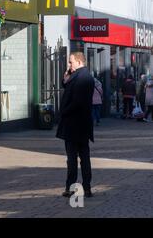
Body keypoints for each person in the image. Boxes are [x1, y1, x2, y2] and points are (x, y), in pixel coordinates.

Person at [56, 52, 94, 198]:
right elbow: (67, 86)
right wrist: (66, 77)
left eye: (71, 62)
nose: (69, 65)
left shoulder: (81, 77)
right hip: (82, 124)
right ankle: (87, 187)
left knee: (72, 158)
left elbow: (77, 101)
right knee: (84, 157)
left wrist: (63, 112)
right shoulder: (81, 75)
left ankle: (71, 187)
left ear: (78, 61)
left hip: (74, 124)